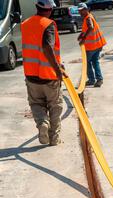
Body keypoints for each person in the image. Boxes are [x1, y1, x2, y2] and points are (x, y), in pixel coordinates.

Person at [21, 0, 67, 146]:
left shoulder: (26, 24)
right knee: (55, 106)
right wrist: (58, 69)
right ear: (50, 9)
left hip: (31, 75)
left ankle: (42, 123)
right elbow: (47, 47)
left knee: (36, 104)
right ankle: (54, 139)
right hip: (49, 76)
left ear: (37, 7)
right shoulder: (48, 25)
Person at [77, 3, 106, 88]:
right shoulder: (89, 16)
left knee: (87, 63)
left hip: (92, 46)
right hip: (97, 45)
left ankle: (92, 80)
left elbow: (91, 27)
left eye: (82, 10)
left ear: (86, 9)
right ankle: (99, 79)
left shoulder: (88, 18)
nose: (80, 12)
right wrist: (81, 34)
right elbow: (87, 28)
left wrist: (83, 38)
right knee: (95, 62)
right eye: (79, 11)